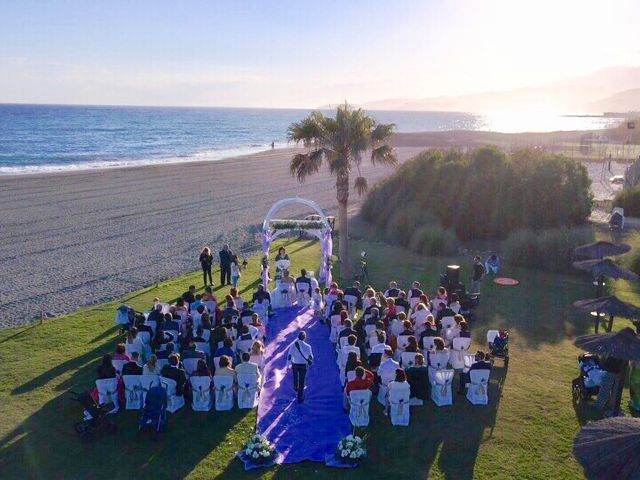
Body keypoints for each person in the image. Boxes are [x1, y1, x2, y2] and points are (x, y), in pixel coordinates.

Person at [287, 331, 313, 402]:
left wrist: (287, 365)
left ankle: (296, 387)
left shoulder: (293, 345)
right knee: (302, 380)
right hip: (303, 365)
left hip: (295, 364)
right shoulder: (308, 346)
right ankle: (300, 396)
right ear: (305, 338)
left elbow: (289, 356)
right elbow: (311, 356)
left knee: (295, 376)